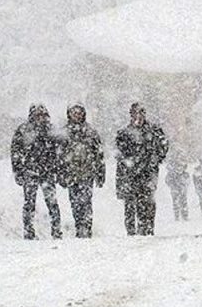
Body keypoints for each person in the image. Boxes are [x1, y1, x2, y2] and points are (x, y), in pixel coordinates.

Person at [115, 102, 169, 236]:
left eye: (140, 113)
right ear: (131, 115)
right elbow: (120, 153)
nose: (138, 117)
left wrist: (156, 158)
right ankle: (131, 230)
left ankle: (147, 228)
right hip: (130, 173)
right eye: (135, 114)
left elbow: (164, 145)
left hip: (148, 172)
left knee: (147, 201)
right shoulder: (124, 133)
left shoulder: (154, 131)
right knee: (129, 202)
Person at [10, 104, 62, 240]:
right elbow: (15, 152)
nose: (40, 117)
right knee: (29, 203)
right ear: (32, 115)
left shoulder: (51, 130)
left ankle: (56, 231)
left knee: (52, 203)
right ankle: (28, 232)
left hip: (47, 172)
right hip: (30, 172)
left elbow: (59, 152)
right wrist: (18, 171)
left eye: (42, 114)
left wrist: (58, 169)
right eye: (37, 114)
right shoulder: (23, 130)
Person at [59, 103, 105, 238]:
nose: (77, 115)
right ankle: (79, 226)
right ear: (69, 114)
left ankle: (87, 227)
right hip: (71, 174)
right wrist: (60, 173)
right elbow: (59, 155)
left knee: (86, 201)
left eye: (79, 113)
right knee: (74, 202)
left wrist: (100, 173)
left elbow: (99, 154)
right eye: (74, 113)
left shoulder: (91, 132)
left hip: (87, 173)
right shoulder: (64, 133)